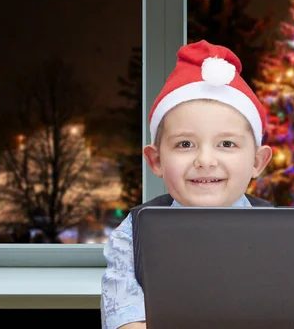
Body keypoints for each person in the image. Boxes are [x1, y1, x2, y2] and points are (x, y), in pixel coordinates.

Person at [101, 40, 274, 329]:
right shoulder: (134, 233)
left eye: (227, 143)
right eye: (185, 144)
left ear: (257, 161)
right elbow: (126, 318)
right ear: (156, 160)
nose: (205, 160)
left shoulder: (281, 231)